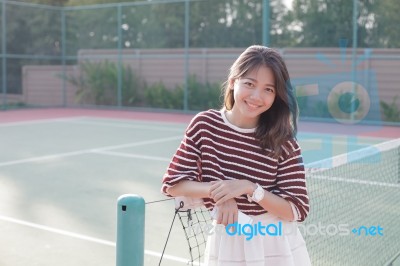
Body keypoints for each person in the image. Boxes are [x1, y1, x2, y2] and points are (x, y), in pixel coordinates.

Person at [161, 45, 311, 266]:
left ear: (276, 95)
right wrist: (222, 194)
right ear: (233, 82)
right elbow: (173, 184)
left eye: (268, 89)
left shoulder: (283, 140)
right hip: (227, 242)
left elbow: (296, 209)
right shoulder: (205, 125)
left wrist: (250, 188)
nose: (256, 96)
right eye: (249, 84)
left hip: (276, 244)